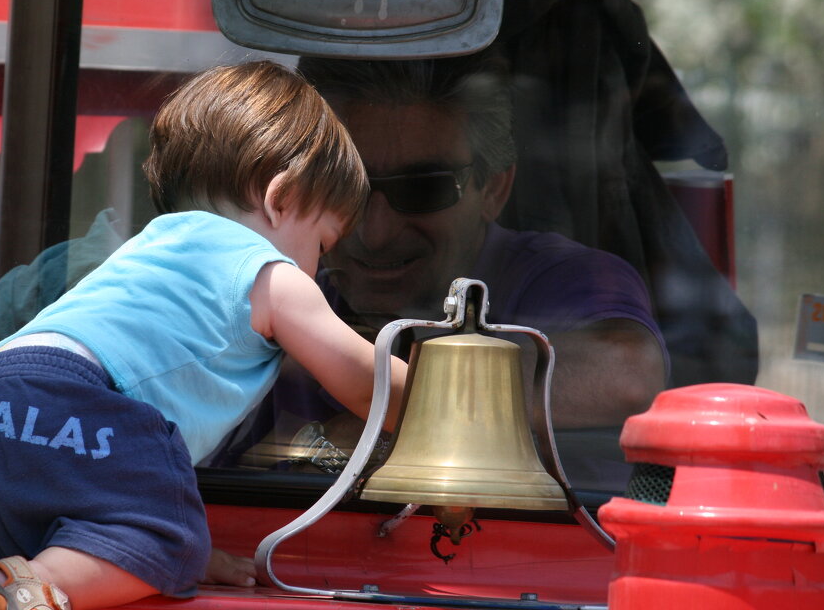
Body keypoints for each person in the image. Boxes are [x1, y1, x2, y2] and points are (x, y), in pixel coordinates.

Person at [0, 61, 409, 610]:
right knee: (172, 534)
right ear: (280, 198)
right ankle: (28, 592)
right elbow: (370, 386)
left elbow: (92, 480)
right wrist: (454, 399)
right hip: (73, 398)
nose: (318, 267)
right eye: (322, 241)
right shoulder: (268, 274)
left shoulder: (141, 249)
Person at [285, 53, 669, 491]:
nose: (376, 232)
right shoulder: (287, 281)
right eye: (346, 186)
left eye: (424, 187)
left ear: (494, 189)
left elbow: (626, 372)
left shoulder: (560, 279)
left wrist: (381, 414)